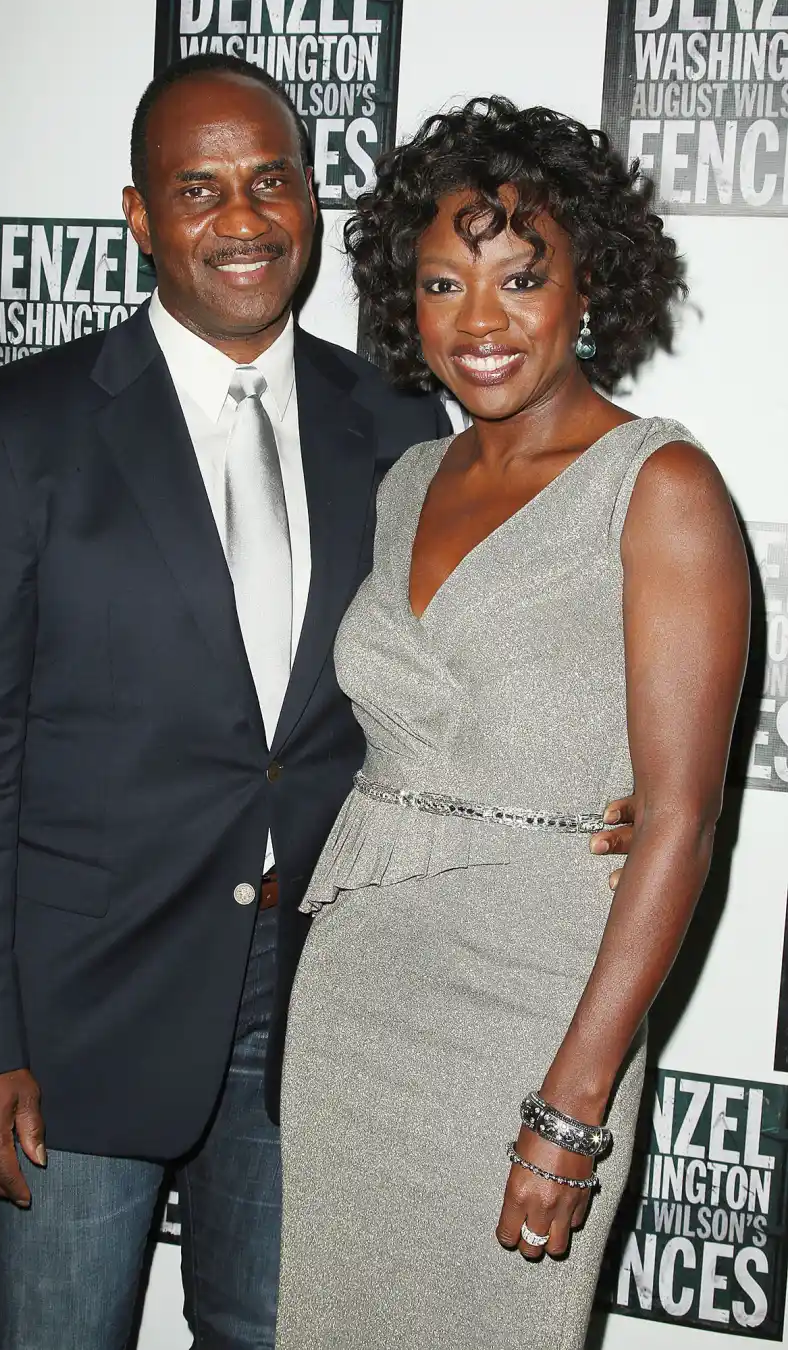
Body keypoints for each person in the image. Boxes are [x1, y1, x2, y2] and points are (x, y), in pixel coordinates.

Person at [0, 59, 632, 1350]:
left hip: (326, 1003)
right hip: (77, 1018)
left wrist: (593, 797)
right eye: (199, 188)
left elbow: (471, 660)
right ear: (139, 216)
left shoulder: (408, 420)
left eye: (270, 179)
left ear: (308, 194)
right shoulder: (22, 431)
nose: (243, 218)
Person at [275, 97, 750, 1350]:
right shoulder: (410, 480)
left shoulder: (661, 488)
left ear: (588, 281)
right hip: (358, 990)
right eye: (442, 283)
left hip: (533, 1007)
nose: (478, 322)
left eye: (520, 278)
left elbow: (683, 822)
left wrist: (571, 1108)